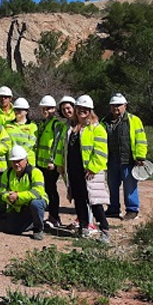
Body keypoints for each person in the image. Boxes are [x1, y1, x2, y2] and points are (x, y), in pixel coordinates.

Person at [55, 95, 111, 243]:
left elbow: (101, 152)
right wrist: (60, 165)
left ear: (90, 110)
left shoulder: (97, 129)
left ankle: (104, 230)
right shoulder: (70, 128)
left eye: (86, 109)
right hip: (74, 170)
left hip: (90, 172)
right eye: (80, 108)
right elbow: (63, 149)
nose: (82, 111)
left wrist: (92, 168)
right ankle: (83, 227)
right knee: (79, 200)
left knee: (95, 201)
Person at [101, 93, 148, 221]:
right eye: (113, 105)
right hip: (111, 160)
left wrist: (140, 156)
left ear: (125, 106)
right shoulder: (104, 122)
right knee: (112, 185)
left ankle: (132, 210)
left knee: (130, 186)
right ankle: (113, 209)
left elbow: (141, 139)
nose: (116, 107)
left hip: (129, 160)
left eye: (118, 105)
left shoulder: (134, 120)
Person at [0, 145, 48, 240]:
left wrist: (18, 196)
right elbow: (2, 192)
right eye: (14, 161)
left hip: (33, 202)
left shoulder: (36, 172)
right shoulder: (7, 174)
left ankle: (38, 229)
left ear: (26, 160)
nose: (16, 164)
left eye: (19, 161)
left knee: (35, 204)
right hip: (18, 205)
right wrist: (8, 197)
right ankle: (30, 222)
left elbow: (38, 192)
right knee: (11, 230)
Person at [35, 95, 65, 227]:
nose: (46, 111)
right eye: (44, 108)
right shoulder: (43, 124)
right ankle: (47, 216)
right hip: (41, 164)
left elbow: (57, 143)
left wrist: (52, 161)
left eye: (49, 108)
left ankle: (54, 217)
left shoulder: (56, 125)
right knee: (45, 190)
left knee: (51, 190)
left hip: (50, 165)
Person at [5, 98, 38, 166]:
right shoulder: (7, 125)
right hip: (12, 160)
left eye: (20, 110)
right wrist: (12, 153)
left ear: (26, 111)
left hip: (28, 160)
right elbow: (6, 141)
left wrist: (18, 153)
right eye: (16, 109)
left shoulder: (32, 126)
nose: (17, 112)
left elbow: (31, 143)